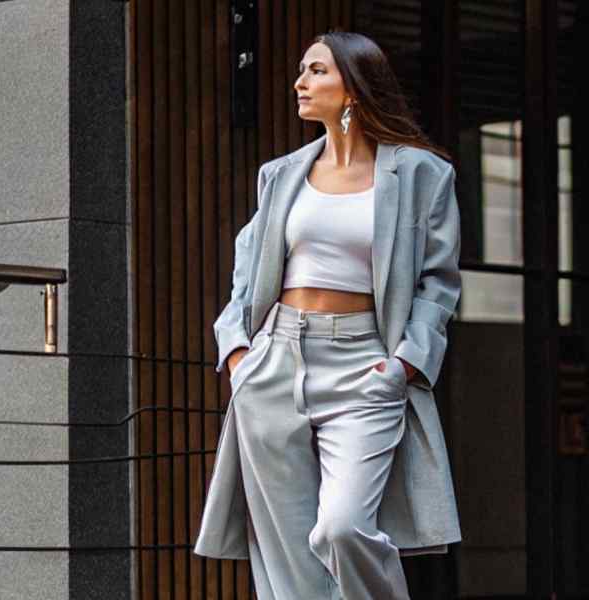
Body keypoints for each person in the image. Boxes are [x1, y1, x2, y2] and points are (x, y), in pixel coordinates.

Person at [192, 31, 464, 600]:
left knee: (343, 528)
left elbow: (437, 285)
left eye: (316, 71)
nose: (300, 82)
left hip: (366, 364)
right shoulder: (282, 174)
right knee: (287, 555)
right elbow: (247, 275)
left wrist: (405, 365)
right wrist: (239, 353)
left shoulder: (420, 174)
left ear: (355, 88)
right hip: (274, 360)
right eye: (302, 70)